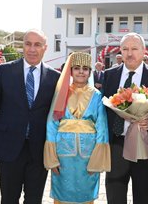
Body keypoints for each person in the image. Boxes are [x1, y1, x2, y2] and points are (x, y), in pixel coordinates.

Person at [0, 29, 60, 204]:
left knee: (34, 199)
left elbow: (58, 116)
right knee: (9, 198)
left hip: (39, 151)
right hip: (8, 148)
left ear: (45, 48)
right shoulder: (3, 71)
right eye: (28, 44)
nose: (32, 49)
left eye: (37, 45)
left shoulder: (55, 78)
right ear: (22, 46)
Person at [102, 32, 148, 204]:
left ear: (144, 51)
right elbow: (104, 110)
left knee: (144, 196)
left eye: (134, 49)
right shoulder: (109, 75)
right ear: (120, 51)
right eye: (125, 49)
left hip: (143, 146)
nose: (130, 53)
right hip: (116, 146)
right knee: (115, 197)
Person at [44, 52, 110, 203]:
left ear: (90, 72)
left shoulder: (97, 95)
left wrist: (97, 160)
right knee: (62, 194)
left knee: (85, 194)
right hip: (63, 154)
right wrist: (52, 158)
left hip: (89, 155)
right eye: (77, 68)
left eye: (85, 68)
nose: (81, 71)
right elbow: (52, 124)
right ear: (71, 71)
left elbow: (102, 127)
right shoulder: (61, 93)